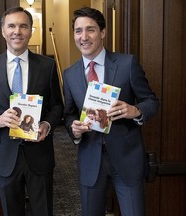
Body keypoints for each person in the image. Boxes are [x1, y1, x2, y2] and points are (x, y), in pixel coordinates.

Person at [63, 7, 159, 216]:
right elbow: (69, 113)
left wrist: (135, 110)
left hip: (127, 158)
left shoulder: (127, 64)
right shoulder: (69, 74)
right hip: (90, 160)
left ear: (103, 32)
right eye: (78, 31)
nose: (84, 37)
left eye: (91, 30)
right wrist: (74, 129)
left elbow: (151, 101)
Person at [0, 6, 63, 216]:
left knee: (43, 211)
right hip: (4, 154)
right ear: (3, 30)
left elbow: (57, 106)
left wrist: (47, 124)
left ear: (31, 30)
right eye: (11, 26)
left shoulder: (47, 65)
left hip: (39, 154)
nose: (17, 31)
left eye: (23, 26)